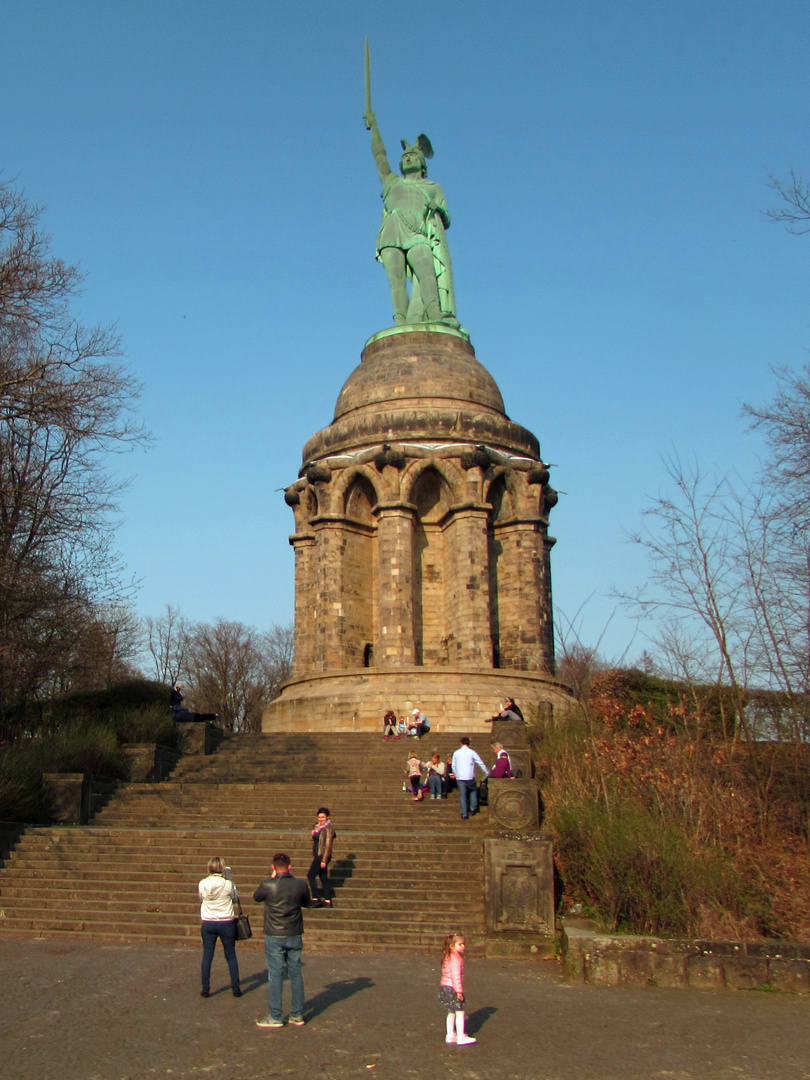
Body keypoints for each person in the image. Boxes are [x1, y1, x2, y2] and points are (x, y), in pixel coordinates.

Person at [364, 109, 458, 327]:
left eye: (412, 156)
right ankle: (401, 322)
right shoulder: (392, 182)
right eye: (404, 157)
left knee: (427, 274)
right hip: (391, 231)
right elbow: (379, 156)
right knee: (396, 282)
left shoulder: (432, 187)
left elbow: (447, 218)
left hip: (417, 233)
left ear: (422, 163)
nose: (407, 159)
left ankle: (434, 313)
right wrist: (374, 128)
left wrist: (438, 209)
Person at [253, 853, 311, 1028]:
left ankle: (276, 1016)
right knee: (295, 974)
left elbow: (257, 897)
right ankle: (297, 1014)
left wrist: (272, 878)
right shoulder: (300, 884)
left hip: (274, 933)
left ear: (273, 867)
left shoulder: (268, 885)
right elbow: (306, 903)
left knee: (275, 975)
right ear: (290, 866)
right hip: (294, 932)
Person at [198, 856, 241, 999]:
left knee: (207, 956)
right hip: (226, 921)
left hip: (208, 921)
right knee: (230, 955)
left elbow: (201, 898)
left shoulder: (202, 883)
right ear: (222, 868)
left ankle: (205, 988)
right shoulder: (228, 884)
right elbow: (235, 899)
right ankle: (236, 987)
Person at [438, 933, 476, 1045]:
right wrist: (459, 991)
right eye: (460, 944)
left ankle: (450, 1034)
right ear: (452, 946)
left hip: (446, 987)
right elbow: (456, 976)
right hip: (453, 988)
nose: (463, 946)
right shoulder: (456, 959)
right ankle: (460, 1036)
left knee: (451, 1011)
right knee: (460, 1012)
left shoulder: (448, 957)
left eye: (464, 944)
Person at [451, 737, 489, 819]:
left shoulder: (456, 753)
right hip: (469, 776)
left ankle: (464, 813)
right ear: (468, 743)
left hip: (460, 777)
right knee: (473, 791)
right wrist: (486, 771)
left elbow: (453, 765)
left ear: (461, 743)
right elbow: (480, 762)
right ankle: (473, 808)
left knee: (462, 795)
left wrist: (456, 773)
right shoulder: (472, 752)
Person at [307, 807, 335, 908]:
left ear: (327, 817)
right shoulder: (319, 828)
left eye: (323, 817)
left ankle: (315, 898)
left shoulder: (328, 829)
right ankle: (327, 900)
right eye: (319, 817)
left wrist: (324, 860)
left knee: (310, 875)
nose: (321, 819)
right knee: (323, 877)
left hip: (321, 856)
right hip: (319, 855)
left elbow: (328, 846)